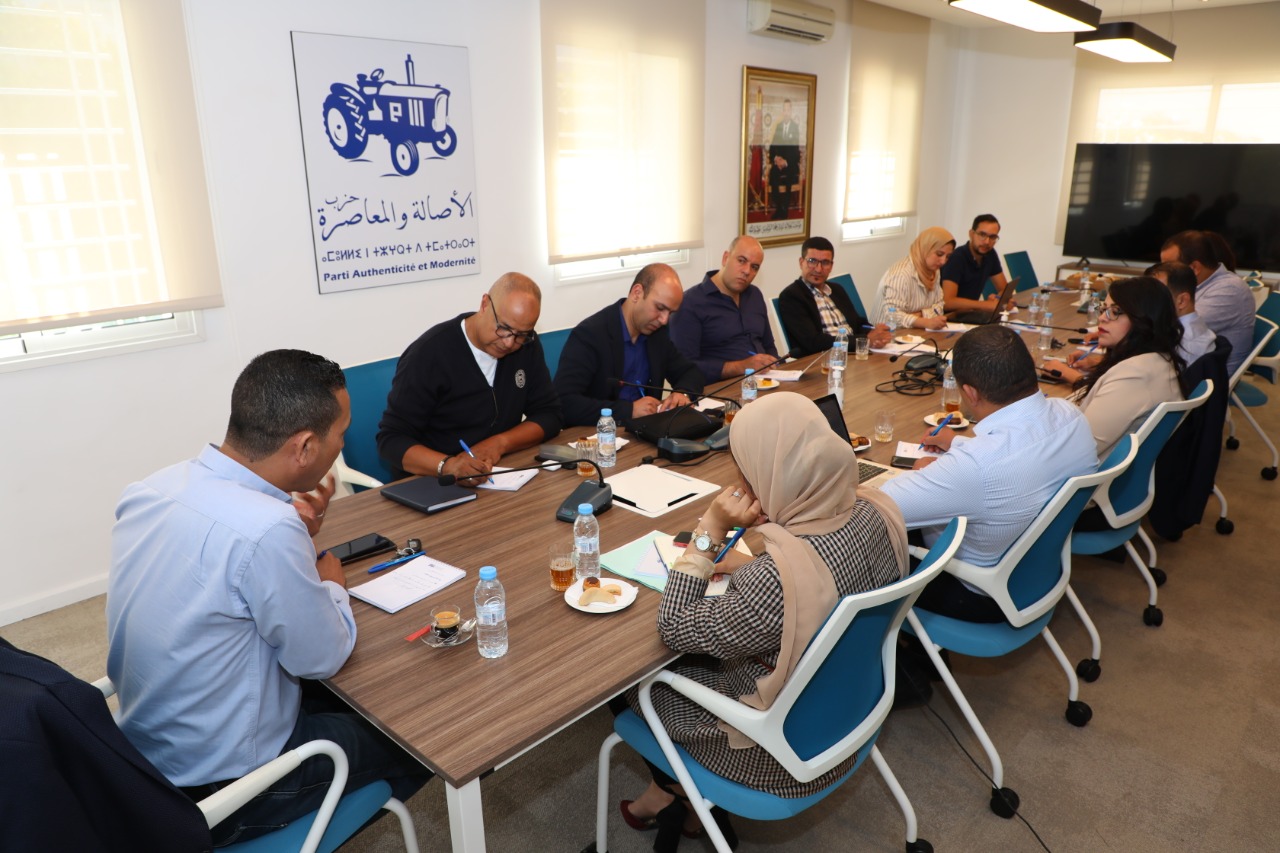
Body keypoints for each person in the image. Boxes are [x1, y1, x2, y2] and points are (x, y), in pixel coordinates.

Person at [106, 350, 431, 846]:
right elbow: (320, 659)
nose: (342, 445)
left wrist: (293, 542)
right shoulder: (267, 528)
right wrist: (331, 586)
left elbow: (218, 566)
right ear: (304, 446)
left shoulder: (154, 488)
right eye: (341, 434)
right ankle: (315, 823)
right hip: (231, 788)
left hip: (144, 758)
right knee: (429, 735)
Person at [617, 392, 908, 849]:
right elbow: (823, 578)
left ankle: (678, 793)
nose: (742, 480)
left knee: (626, 680)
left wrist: (709, 531)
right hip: (848, 717)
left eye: (745, 469)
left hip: (774, 755)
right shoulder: (878, 511)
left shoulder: (772, 580)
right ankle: (668, 794)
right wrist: (758, 562)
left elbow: (673, 625)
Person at [880, 324, 1097, 617]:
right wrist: (957, 444)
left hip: (975, 591)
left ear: (970, 393)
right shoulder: (1070, 415)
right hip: (1035, 573)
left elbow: (879, 507)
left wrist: (921, 474)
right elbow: (1014, 453)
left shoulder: (977, 466)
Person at [377, 273, 562, 482]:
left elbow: (549, 414)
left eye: (521, 334)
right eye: (504, 328)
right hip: (432, 480)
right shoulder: (429, 354)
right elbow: (391, 440)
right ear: (484, 304)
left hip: (497, 475)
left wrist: (499, 443)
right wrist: (448, 466)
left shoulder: (527, 346)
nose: (509, 343)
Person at [1043, 276, 1186, 460]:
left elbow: (1079, 450)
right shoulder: (1156, 359)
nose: (1102, 318)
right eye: (1104, 309)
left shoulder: (1134, 377)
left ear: (1144, 320)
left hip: (1081, 471)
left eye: (1115, 311)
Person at [553, 263, 704, 427]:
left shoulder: (657, 334)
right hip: (599, 434)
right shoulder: (590, 335)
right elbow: (564, 402)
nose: (664, 320)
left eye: (671, 313)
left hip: (646, 429)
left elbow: (690, 372)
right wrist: (629, 410)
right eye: (660, 308)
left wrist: (682, 394)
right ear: (637, 293)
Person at [670, 235, 779, 380]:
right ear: (725, 258)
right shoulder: (690, 303)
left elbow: (768, 345)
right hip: (723, 388)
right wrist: (740, 367)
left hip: (767, 381)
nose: (747, 271)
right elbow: (683, 368)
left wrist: (776, 366)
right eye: (741, 261)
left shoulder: (755, 295)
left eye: (754, 267)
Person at [1159, 230, 1254, 375]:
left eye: (1169, 268)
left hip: (1207, 379)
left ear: (1194, 268)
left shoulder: (1229, 289)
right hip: (1191, 365)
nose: (1163, 273)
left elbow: (1173, 329)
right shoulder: (1197, 284)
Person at [776, 236, 891, 356]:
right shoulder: (792, 296)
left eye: (825, 263)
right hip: (824, 358)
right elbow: (813, 342)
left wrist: (876, 333)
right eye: (812, 261)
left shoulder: (837, 289)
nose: (818, 269)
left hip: (854, 353)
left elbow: (857, 324)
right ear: (801, 262)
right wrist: (865, 340)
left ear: (831, 266)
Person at [874, 227, 955, 331]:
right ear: (925, 248)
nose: (943, 261)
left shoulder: (934, 269)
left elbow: (939, 304)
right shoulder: (901, 274)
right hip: (887, 334)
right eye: (939, 254)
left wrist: (921, 315)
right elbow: (892, 315)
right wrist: (925, 322)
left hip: (915, 331)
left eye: (948, 256)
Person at [940, 214, 1009, 316]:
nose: (987, 242)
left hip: (970, 314)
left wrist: (999, 300)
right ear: (971, 234)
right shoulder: (957, 257)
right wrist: (986, 305)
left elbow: (1004, 289)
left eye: (992, 237)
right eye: (982, 235)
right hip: (948, 317)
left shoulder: (990, 254)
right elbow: (947, 302)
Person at [1148, 261, 1216, 364]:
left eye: (1156, 296)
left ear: (1182, 301)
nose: (1148, 302)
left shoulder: (1182, 345)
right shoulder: (1196, 327)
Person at [768, 99, 801, 220]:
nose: (786, 112)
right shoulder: (779, 127)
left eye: (788, 110)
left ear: (791, 111)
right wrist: (776, 158)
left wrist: (785, 162)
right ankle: (778, 208)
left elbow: (795, 151)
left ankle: (785, 209)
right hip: (779, 163)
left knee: (789, 176)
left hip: (790, 163)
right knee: (773, 174)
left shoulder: (795, 128)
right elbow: (772, 147)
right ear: (783, 112)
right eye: (784, 110)